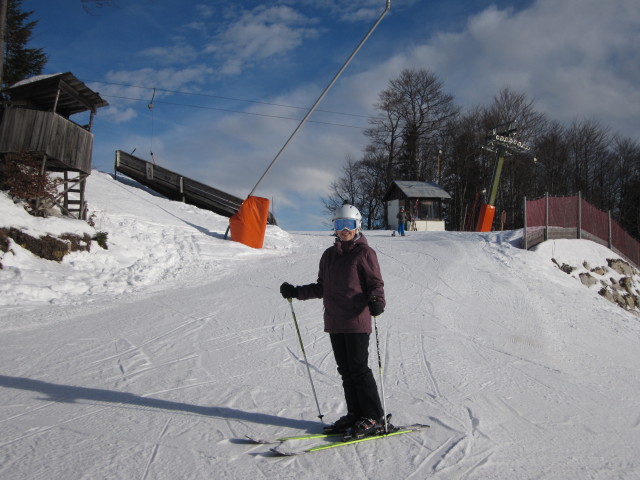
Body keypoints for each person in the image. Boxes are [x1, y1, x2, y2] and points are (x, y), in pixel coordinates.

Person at [279, 204, 387, 438]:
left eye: (349, 225)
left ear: (357, 225)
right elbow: (322, 287)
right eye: (340, 225)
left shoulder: (364, 253)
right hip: (335, 321)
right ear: (335, 228)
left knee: (358, 369)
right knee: (346, 371)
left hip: (357, 320)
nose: (344, 230)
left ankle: (373, 416)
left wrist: (377, 300)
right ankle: (355, 413)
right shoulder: (328, 256)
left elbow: (375, 284)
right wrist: (296, 292)